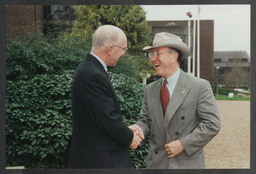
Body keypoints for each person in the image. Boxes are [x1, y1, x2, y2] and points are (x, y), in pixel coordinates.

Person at [129, 32, 221, 169]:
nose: (152, 59)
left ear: (174, 56)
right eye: (151, 54)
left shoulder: (199, 86)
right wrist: (138, 130)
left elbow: (212, 124)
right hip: (156, 165)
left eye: (157, 53)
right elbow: (145, 121)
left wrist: (183, 144)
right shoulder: (150, 89)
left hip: (186, 165)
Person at [65, 25, 143, 168]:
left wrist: (126, 129)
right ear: (110, 49)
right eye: (123, 49)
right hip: (97, 160)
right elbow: (107, 119)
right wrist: (131, 138)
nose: (124, 54)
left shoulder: (90, 69)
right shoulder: (93, 75)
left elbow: (98, 117)